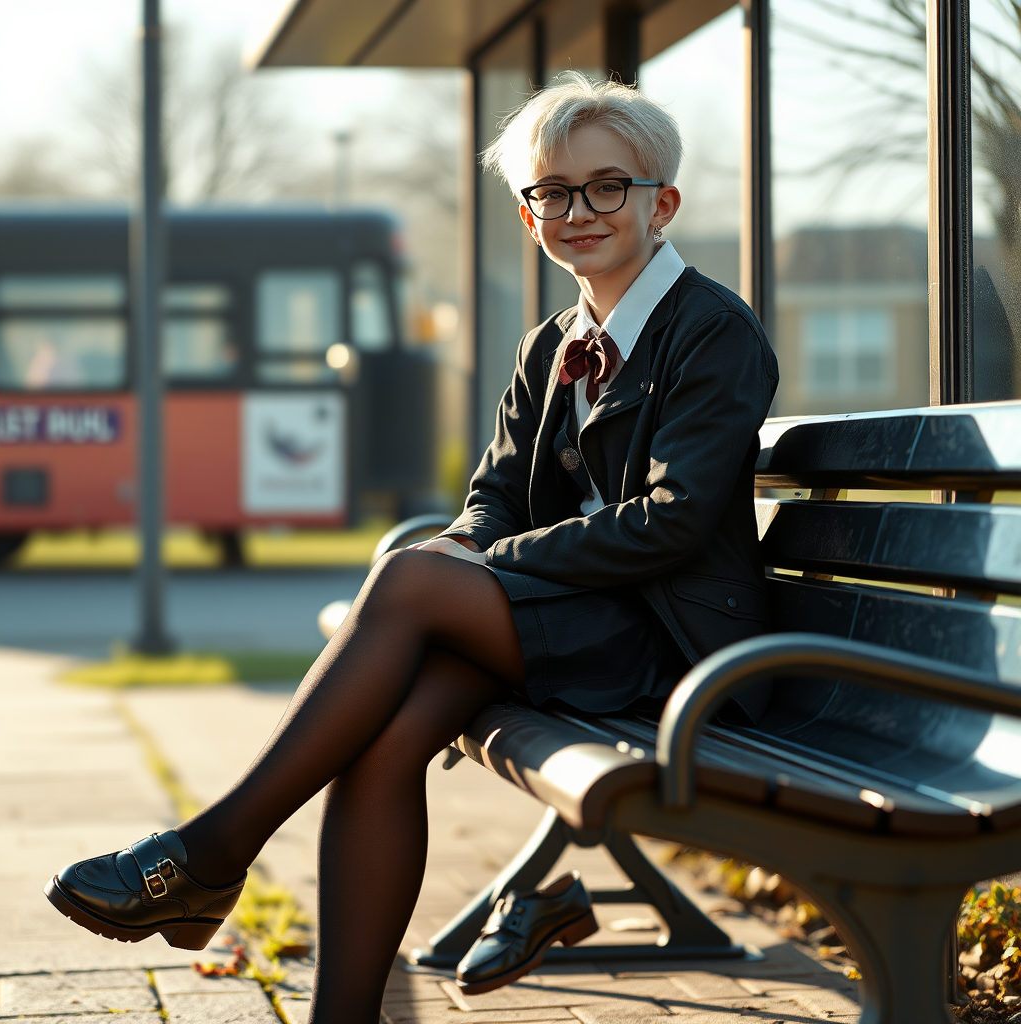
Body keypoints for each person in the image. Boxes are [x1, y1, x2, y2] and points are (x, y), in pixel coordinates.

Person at [44, 72, 778, 1023]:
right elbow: (492, 500)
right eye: (550, 193)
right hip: (572, 622)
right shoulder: (550, 343)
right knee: (387, 740)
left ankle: (212, 854)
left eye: (606, 187)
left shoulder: (714, 333)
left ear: (662, 202)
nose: (577, 210)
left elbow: (670, 522)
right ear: (528, 218)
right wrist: (473, 547)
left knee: (410, 578)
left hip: (676, 644)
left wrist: (482, 565)